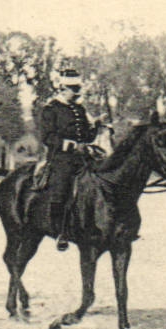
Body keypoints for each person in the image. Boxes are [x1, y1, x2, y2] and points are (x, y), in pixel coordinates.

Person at [38, 65, 96, 251]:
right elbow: (47, 137)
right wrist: (69, 144)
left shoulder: (79, 109)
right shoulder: (51, 109)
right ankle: (60, 231)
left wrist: (95, 127)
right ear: (63, 89)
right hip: (61, 158)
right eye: (74, 90)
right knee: (61, 189)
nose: (77, 93)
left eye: (78, 89)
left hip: (82, 157)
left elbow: (87, 136)